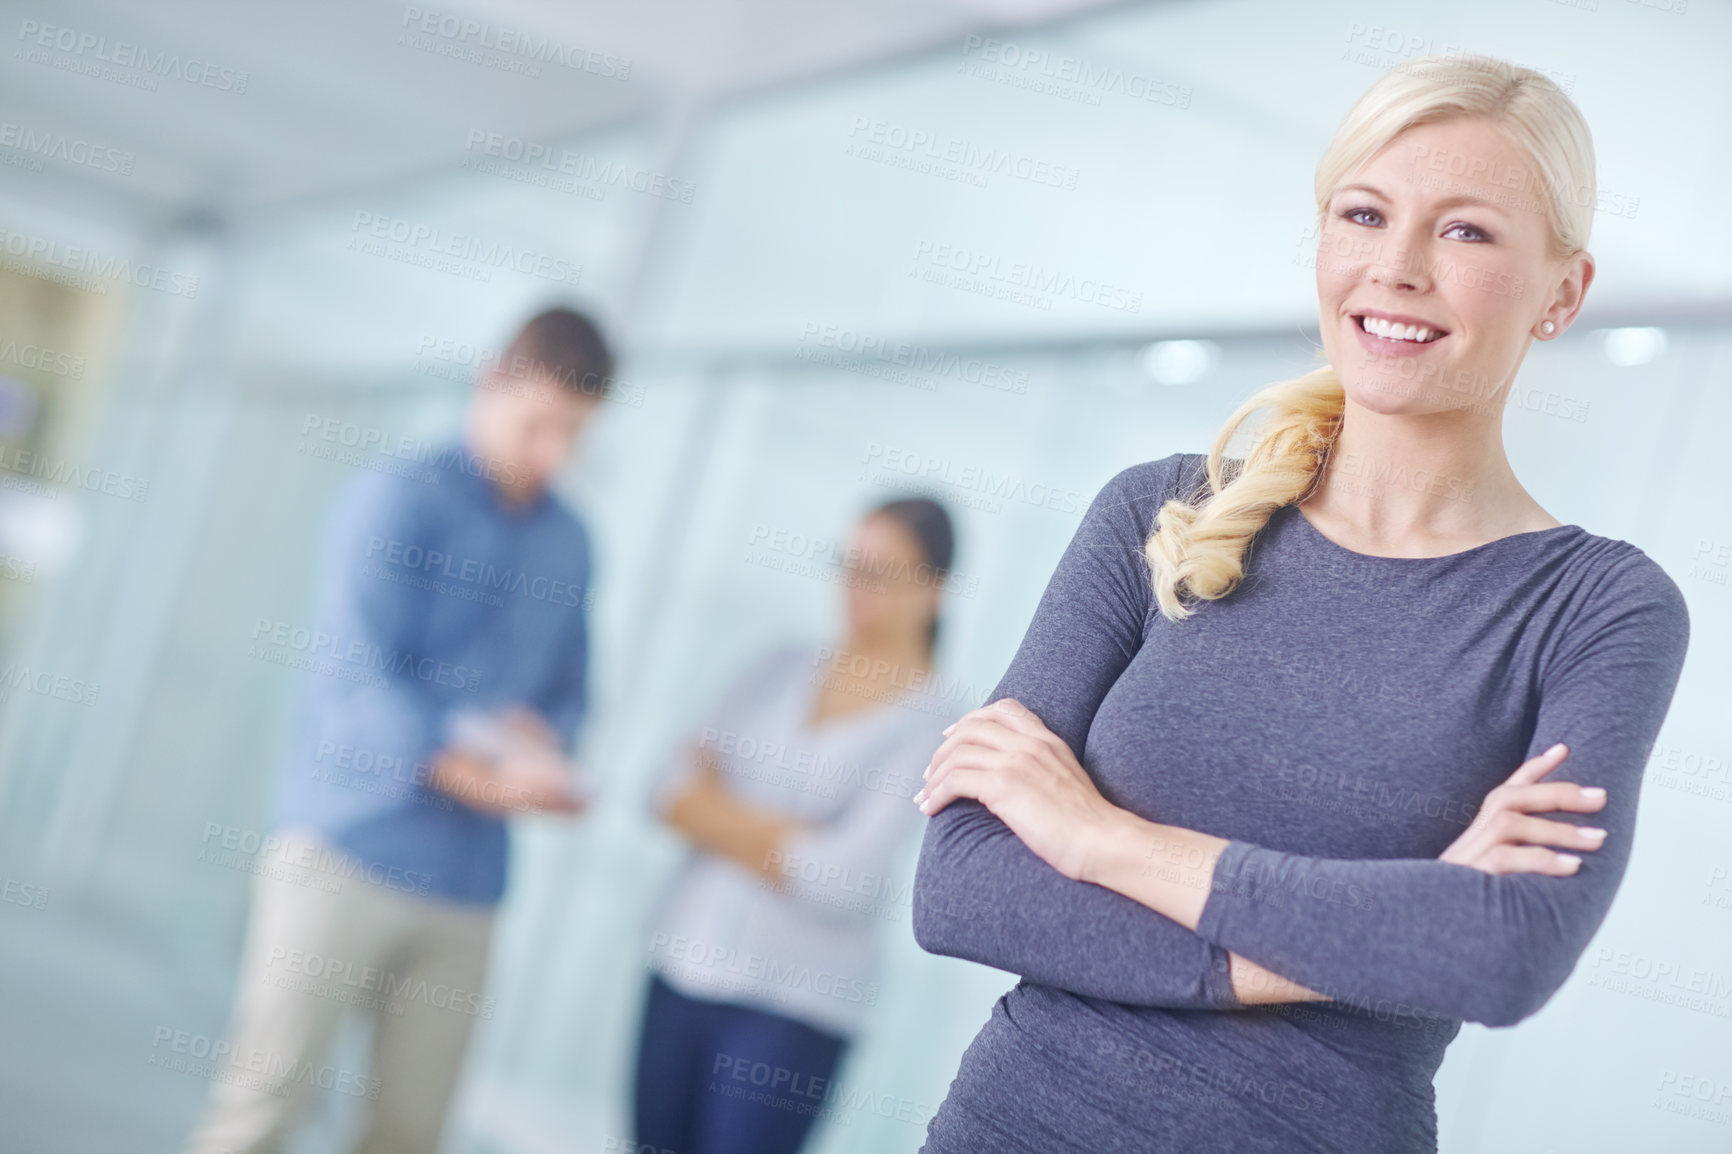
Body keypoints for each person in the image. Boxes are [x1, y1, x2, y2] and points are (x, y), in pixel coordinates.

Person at [911, 54, 1692, 1153]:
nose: (1397, 267)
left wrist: (1095, 837)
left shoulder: (1596, 607)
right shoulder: (1160, 509)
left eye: (1464, 231)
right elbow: (963, 888)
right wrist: (1394, 913)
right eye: (1363, 214)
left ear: (1562, 291)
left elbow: (1498, 953)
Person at [183, 307, 615, 1154]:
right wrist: (489, 780)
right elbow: (360, 682)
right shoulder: (394, 499)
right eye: (540, 426)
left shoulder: (573, 544)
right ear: (494, 383)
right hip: (345, 852)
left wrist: (547, 740)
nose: (553, 454)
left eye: (574, 435)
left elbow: (572, 690)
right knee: (262, 1106)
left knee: (409, 1135)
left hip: (467, 889)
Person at [634, 497, 958, 1154]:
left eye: (883, 573)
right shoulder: (777, 667)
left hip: (794, 1014)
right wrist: (791, 835)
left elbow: (844, 879)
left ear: (933, 591)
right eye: (850, 565)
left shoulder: (936, 725)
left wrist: (715, 813)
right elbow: (668, 792)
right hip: (681, 966)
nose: (856, 589)